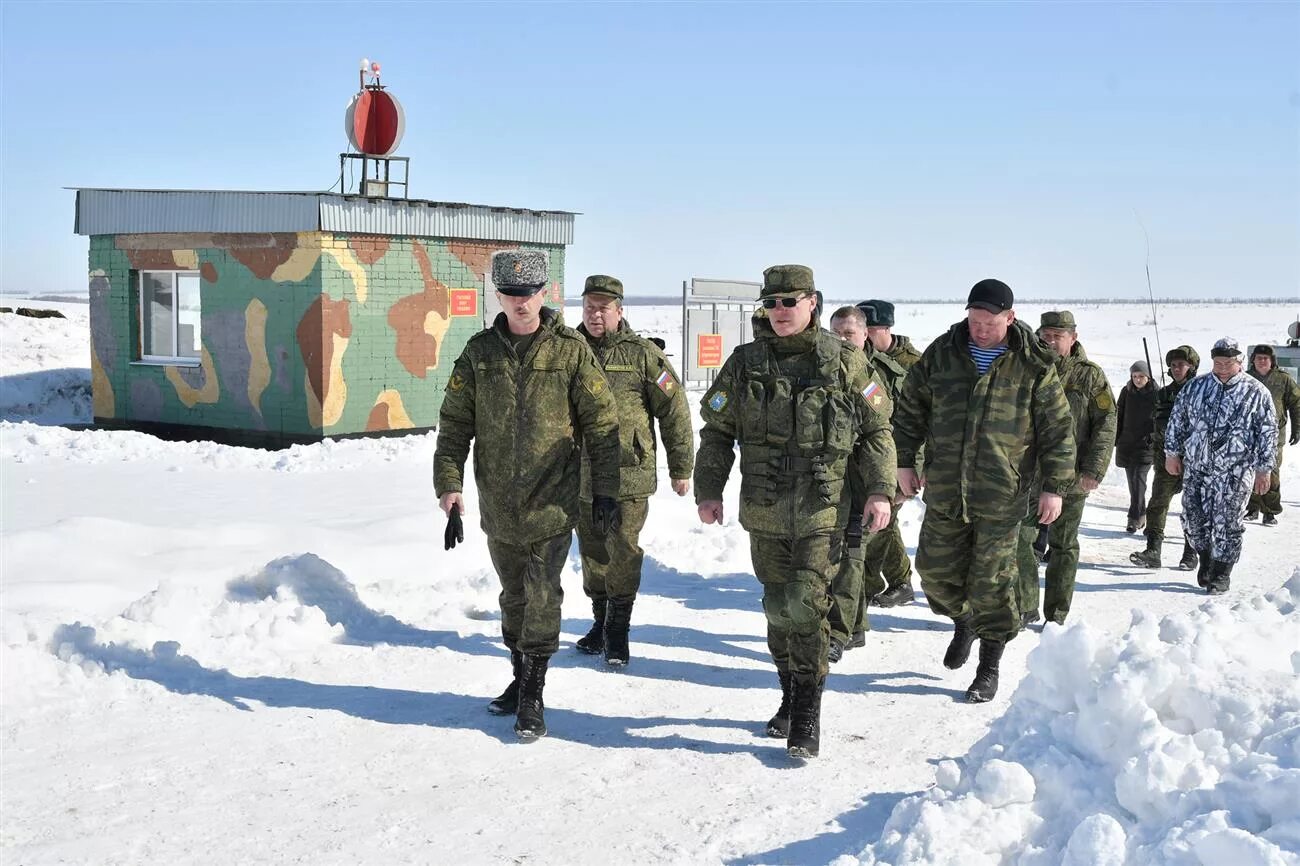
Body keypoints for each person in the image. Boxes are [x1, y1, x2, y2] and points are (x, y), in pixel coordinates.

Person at [694, 265, 896, 759]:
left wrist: (879, 491)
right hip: (764, 506)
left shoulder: (845, 361)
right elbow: (717, 431)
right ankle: (788, 692)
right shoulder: (745, 363)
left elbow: (876, 433)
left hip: (822, 506)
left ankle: (807, 710)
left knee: (806, 601)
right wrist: (708, 487)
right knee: (777, 607)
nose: (780, 312)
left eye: (790, 302)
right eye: (772, 304)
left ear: (813, 303)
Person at [433, 251, 622, 740]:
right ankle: (520, 679)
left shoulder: (570, 352)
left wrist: (605, 490)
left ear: (545, 294)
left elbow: (602, 426)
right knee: (513, 596)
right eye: (511, 293)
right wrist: (450, 487)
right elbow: (454, 425)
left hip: (552, 502)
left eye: (529, 293)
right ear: (499, 295)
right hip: (498, 504)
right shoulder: (479, 353)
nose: (520, 302)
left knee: (541, 595)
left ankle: (533, 695)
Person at [892, 278, 1075, 703]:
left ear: (1009, 318)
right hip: (946, 489)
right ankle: (963, 621)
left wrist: (1054, 487)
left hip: (1003, 494)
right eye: (974, 321)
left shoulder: (1033, 363)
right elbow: (909, 409)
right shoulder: (944, 351)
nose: (979, 329)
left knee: (993, 584)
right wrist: (903, 460)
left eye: (989, 323)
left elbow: (1058, 431)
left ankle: (989, 666)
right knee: (935, 576)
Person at [573, 275, 694, 666]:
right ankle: (599, 621)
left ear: (619, 311)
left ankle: (618, 630)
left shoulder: (643, 355)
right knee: (592, 552)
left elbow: (674, 411)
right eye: (590, 306)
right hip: (580, 474)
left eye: (603, 308)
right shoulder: (568, 351)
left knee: (622, 550)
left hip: (629, 472)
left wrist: (682, 466)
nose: (595, 314)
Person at [1017, 311, 1116, 626]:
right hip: (1031, 475)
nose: (1049, 340)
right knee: (1022, 539)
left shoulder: (1090, 376)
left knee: (1063, 544)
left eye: (1057, 335)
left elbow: (1106, 424)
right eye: (1045, 335)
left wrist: (1094, 470)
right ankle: (1026, 604)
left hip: (1072, 478)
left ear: (1072, 338)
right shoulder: (1027, 368)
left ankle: (1056, 613)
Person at [823, 305, 907, 661]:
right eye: (836, 333)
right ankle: (850, 628)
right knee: (843, 553)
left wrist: (897, 479)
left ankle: (845, 629)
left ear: (865, 334)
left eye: (849, 335)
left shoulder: (879, 375)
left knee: (854, 552)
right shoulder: (824, 369)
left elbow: (897, 430)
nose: (842, 341)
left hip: (872, 479)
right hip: (834, 478)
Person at [1163, 338, 1276, 594]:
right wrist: (1172, 453)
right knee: (1193, 518)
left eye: (1228, 363)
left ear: (1239, 362)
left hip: (1236, 470)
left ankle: (1222, 573)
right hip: (1198, 467)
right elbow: (1177, 421)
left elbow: (1268, 432)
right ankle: (1206, 560)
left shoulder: (1256, 392)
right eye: (1217, 363)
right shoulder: (1195, 387)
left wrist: (1263, 469)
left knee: (1228, 522)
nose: (1222, 368)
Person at [859, 299, 920, 610]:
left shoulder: (914, 364)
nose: (863, 336)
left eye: (867, 329)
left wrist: (915, 465)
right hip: (876, 458)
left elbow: (924, 420)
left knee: (878, 523)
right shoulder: (863, 358)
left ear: (883, 328)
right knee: (883, 523)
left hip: (903, 460)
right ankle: (899, 582)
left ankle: (877, 585)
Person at [1129, 346, 1200, 570]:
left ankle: (1190, 552)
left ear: (1192, 366)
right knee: (1157, 503)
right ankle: (1153, 550)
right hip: (1166, 460)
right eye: (1173, 364)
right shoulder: (1163, 394)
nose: (1177, 368)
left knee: (1193, 506)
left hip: (1195, 460)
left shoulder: (1202, 392)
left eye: (1182, 364)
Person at [1245, 343, 1300, 525]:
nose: (1262, 361)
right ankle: (1252, 508)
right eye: (1258, 358)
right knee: (1250, 470)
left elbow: (1296, 403)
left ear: (1272, 361)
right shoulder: (1245, 378)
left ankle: (1270, 510)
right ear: (1253, 360)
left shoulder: (1283, 379)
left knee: (1272, 472)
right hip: (1249, 435)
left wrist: (1297, 427)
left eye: (1265, 358)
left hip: (1275, 437)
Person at [1115, 361, 1158, 533]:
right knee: (1132, 482)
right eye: (1134, 376)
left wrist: (1153, 438)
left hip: (1145, 445)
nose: (1137, 380)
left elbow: (1161, 419)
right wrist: (1116, 438)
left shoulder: (1156, 393)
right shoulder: (1126, 392)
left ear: (1148, 376)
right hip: (1127, 443)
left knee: (1139, 481)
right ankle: (1140, 513)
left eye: (1141, 376)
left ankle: (1134, 518)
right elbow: (1119, 414)